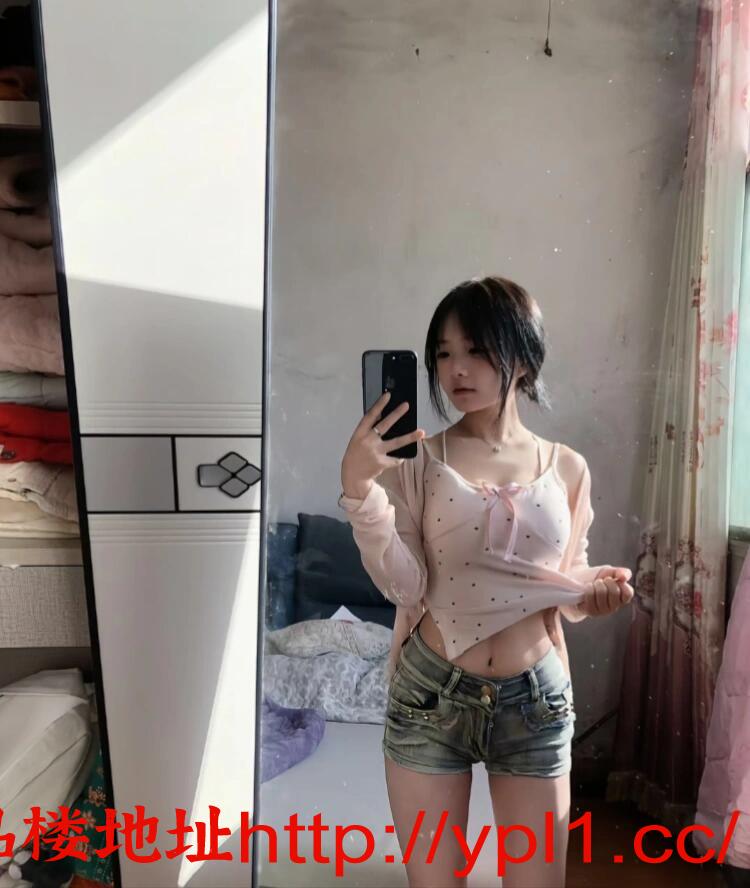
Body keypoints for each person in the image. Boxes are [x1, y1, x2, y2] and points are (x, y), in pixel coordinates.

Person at [338, 275, 634, 887]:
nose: (456, 368)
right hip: (431, 696)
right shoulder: (418, 462)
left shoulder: (568, 467)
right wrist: (359, 490)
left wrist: (596, 590)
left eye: (475, 349)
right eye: (444, 353)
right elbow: (405, 587)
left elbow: (567, 585)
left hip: (536, 702)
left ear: (523, 355)